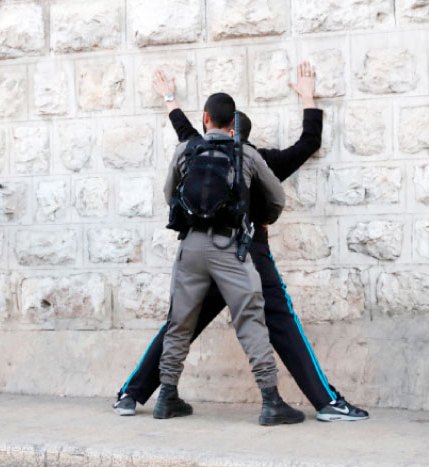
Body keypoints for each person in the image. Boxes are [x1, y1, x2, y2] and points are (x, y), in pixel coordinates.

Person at [113, 63, 369, 422]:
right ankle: (324, 402)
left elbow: (183, 129)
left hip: (199, 252)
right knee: (281, 322)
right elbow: (308, 143)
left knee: (179, 324)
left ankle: (131, 393)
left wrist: (169, 97)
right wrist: (309, 96)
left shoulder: (197, 150)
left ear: (214, 124)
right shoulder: (260, 159)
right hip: (248, 256)